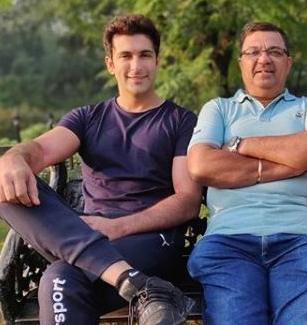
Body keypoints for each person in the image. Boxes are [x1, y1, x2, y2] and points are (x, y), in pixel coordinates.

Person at [0, 14, 201, 325]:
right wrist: (14, 157)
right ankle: (135, 284)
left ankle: (134, 279)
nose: (136, 66)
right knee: (58, 277)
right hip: (91, 241)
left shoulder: (180, 121)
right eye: (126, 56)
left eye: (145, 55)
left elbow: (187, 201)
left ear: (157, 60)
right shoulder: (88, 118)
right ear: (111, 64)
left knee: (59, 276)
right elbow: (38, 150)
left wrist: (117, 227)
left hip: (150, 240)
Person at [186, 21, 307, 325]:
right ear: (241, 62)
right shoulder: (219, 109)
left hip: (301, 239)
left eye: (274, 51)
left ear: (288, 62)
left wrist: (240, 144)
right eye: (254, 52)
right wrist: (292, 161)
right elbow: (201, 165)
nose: (264, 59)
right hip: (229, 241)